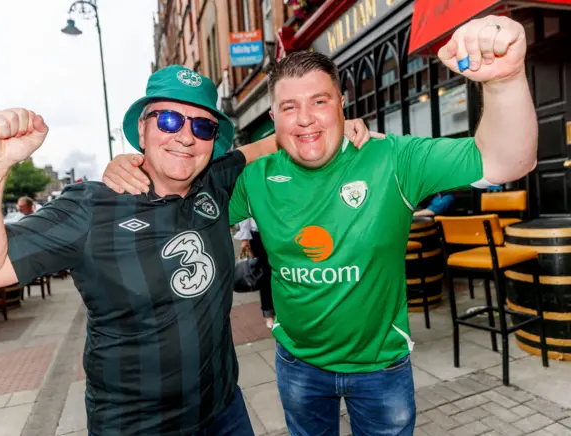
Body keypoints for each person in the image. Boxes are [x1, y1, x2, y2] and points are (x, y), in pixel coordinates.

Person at [104, 15, 538, 435]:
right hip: (297, 366)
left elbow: (509, 160)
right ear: (273, 120)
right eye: (289, 107)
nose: (305, 118)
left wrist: (504, 81)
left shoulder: (391, 158)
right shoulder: (254, 180)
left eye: (319, 101)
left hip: (380, 369)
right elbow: (178, 205)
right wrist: (137, 167)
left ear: (342, 105)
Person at [0, 65, 373, 436]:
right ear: (143, 130)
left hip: (224, 411)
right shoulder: (91, 206)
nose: (185, 136)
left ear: (212, 141)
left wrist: (339, 127)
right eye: (168, 120)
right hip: (135, 426)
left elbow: (278, 141)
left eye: (202, 126)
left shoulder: (214, 183)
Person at [234, 218, 274, 328]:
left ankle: (278, 311)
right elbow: (246, 209)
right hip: (258, 233)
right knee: (265, 275)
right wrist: (244, 239)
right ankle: (268, 313)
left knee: (280, 275)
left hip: (278, 231)